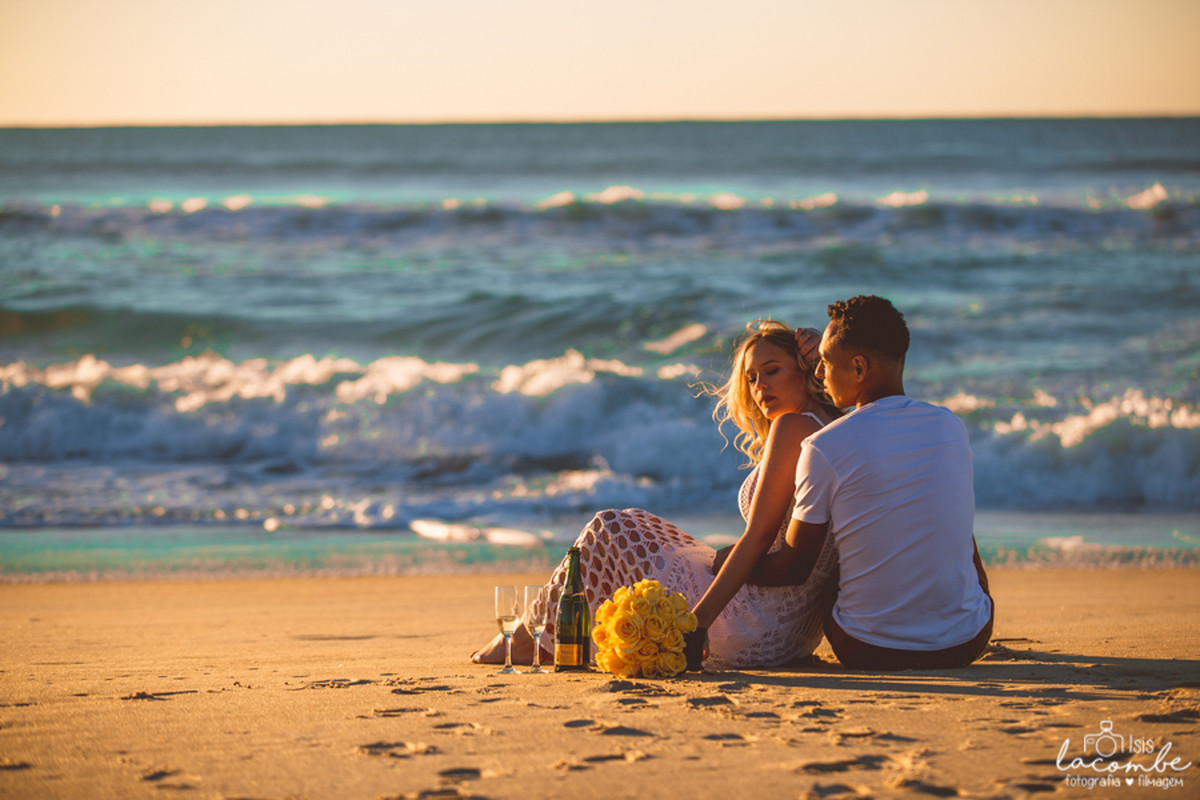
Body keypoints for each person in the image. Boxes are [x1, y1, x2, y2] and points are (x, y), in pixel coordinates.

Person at [471, 319, 842, 669]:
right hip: (797, 633)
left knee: (610, 528)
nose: (759, 386)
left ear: (807, 370)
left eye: (772, 371)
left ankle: (528, 638)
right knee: (636, 529)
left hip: (755, 622)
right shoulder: (835, 428)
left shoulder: (792, 426)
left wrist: (697, 624)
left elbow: (759, 536)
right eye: (751, 378)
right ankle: (554, 638)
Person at [764, 295, 993, 670]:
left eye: (825, 362)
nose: (818, 374)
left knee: (832, 560)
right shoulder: (950, 425)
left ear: (858, 367)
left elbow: (793, 569)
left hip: (868, 648)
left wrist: (727, 562)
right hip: (967, 641)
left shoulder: (823, 446)